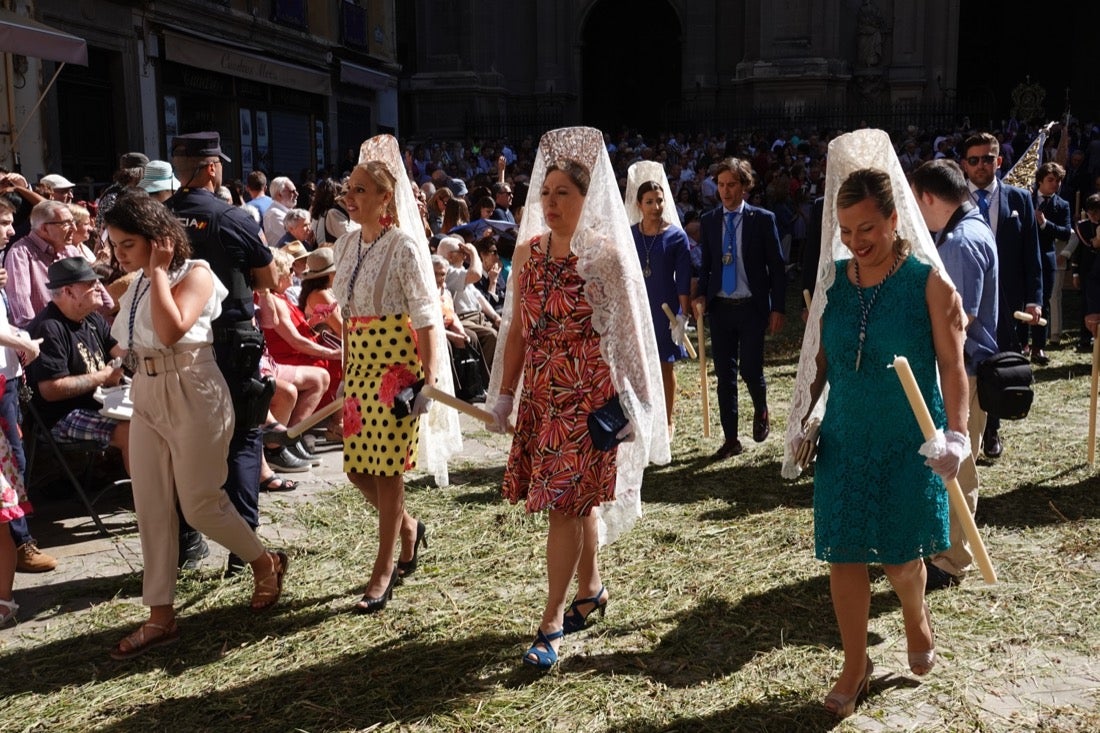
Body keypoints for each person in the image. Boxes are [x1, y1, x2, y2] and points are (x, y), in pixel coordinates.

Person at [784, 130, 968, 719]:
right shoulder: (834, 284)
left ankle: (916, 618)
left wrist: (958, 436)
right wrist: (804, 416)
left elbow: (953, 367)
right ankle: (855, 663)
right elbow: (817, 360)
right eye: (845, 231)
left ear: (894, 220)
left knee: (898, 556)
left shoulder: (928, 283)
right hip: (847, 434)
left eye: (867, 228)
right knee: (844, 554)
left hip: (908, 436)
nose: (855, 242)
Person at [486, 126, 669, 669]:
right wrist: (503, 396)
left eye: (562, 193)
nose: (550, 202)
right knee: (576, 501)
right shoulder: (527, 254)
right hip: (544, 393)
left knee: (563, 508)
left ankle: (549, 625)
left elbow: (631, 332)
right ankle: (590, 590)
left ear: (587, 200)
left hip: (589, 401)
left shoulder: (605, 256)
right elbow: (518, 330)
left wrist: (635, 401)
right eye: (544, 193)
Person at [104, 192, 288, 660]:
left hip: (192, 388)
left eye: (127, 244)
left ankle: (264, 561)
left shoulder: (196, 274)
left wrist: (159, 270)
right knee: (150, 504)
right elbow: (133, 336)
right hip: (144, 393)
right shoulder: (141, 280)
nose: (118, 254)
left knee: (201, 504)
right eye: (115, 245)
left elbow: (171, 331)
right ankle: (160, 615)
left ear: (157, 240)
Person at [332, 134, 460, 614]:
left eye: (362, 189)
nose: (352, 197)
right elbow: (345, 315)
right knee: (355, 468)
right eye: (350, 189)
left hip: (395, 366)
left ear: (386, 197)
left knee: (387, 472)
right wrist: (346, 371)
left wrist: (426, 380)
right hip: (359, 362)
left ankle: (383, 568)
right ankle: (408, 528)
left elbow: (427, 317)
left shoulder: (404, 245)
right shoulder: (345, 245)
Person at [165, 131, 278, 572]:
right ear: (211, 167)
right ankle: (244, 551)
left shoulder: (160, 217)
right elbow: (267, 278)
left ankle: (186, 542)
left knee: (181, 443)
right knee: (243, 440)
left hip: (179, 344)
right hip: (230, 340)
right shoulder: (230, 217)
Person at [911, 158, 999, 592]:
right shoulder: (970, 229)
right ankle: (944, 550)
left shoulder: (960, 243)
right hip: (963, 370)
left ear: (929, 197)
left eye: (916, 201)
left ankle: (951, 561)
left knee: (958, 467)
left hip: (964, 373)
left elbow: (958, 319)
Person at [694, 158, 786, 460]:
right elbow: (706, 265)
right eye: (720, 185)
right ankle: (731, 438)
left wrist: (778, 307)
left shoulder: (762, 219)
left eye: (732, 184)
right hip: (721, 307)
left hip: (751, 306)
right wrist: (701, 296)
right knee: (725, 374)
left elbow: (776, 266)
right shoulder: (709, 221)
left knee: (749, 367)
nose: (725, 191)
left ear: (744, 186)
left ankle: (761, 408)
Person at [960, 132, 1042, 459]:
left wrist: (1035, 298)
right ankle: (963, 430)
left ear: (999, 160)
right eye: (974, 160)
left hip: (1006, 303)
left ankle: (991, 431)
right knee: (967, 364)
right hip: (964, 299)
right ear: (964, 164)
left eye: (987, 158)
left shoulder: (1020, 199)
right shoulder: (953, 198)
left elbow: (1031, 255)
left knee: (998, 366)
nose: (981, 165)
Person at [25, 258, 131, 476]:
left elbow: (121, 353)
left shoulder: (92, 318)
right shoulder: (49, 328)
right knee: (131, 433)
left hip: (101, 405)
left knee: (155, 417)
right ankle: (147, 503)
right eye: (90, 284)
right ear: (68, 291)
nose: (98, 288)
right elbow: (51, 390)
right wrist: (103, 377)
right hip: (61, 417)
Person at [0, 198, 55, 575]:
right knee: (9, 466)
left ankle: (17, 543)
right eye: (3, 222)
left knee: (13, 464)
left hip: (7, 377)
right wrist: (25, 343)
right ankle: (19, 543)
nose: (10, 229)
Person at [625, 160, 692, 437]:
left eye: (659, 200)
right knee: (636, 366)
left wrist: (683, 315)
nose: (655, 206)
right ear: (639, 204)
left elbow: (685, 278)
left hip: (665, 308)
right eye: (649, 201)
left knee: (665, 364)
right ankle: (640, 418)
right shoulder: (630, 235)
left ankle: (666, 420)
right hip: (639, 308)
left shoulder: (677, 236)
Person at [1030, 162, 1072, 361]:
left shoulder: (1062, 204)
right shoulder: (1025, 198)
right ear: (1040, 181)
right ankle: (1022, 344)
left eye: (1058, 180)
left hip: (1046, 258)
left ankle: (1039, 346)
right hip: (1025, 256)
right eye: (1051, 180)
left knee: (1044, 301)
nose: (1055, 184)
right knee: (1022, 300)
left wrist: (1045, 224)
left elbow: (1065, 233)